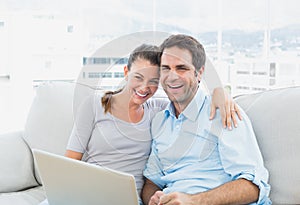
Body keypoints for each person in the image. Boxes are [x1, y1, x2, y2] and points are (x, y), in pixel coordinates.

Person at [39, 43, 240, 205]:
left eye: (153, 81)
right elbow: (70, 162)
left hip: (126, 200)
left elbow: (191, 96)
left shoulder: (158, 111)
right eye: (138, 77)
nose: (145, 87)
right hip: (84, 194)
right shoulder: (94, 104)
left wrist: (220, 92)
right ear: (126, 72)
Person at [142, 34, 271, 205]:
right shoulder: (160, 121)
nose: (172, 76)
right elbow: (152, 182)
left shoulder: (223, 112)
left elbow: (253, 186)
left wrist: (194, 201)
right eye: (166, 68)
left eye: (181, 68)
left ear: (199, 72)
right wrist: (154, 198)